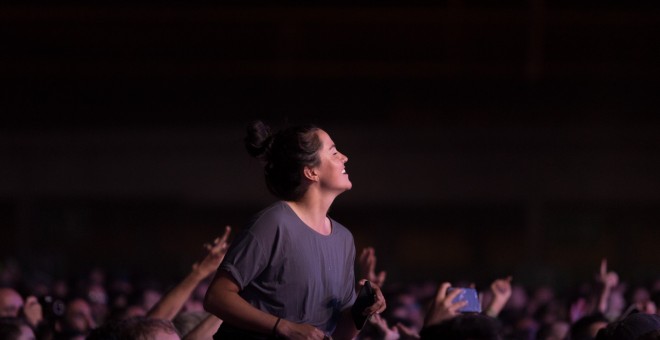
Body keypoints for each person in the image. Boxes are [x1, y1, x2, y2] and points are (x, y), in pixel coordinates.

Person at [204, 121, 386, 339]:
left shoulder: (344, 239)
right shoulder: (274, 223)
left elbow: (341, 334)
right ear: (311, 172)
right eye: (334, 152)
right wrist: (282, 326)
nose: (344, 157)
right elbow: (216, 296)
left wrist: (363, 309)